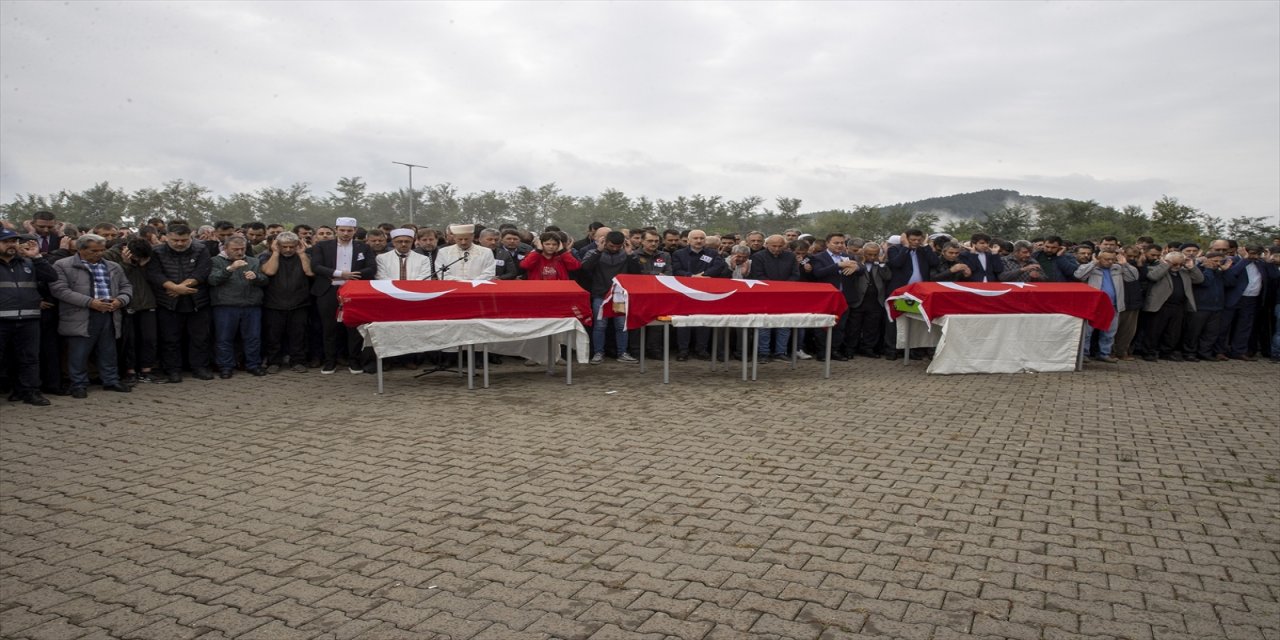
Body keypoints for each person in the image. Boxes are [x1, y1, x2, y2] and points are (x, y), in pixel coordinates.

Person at [50, 234, 133, 398]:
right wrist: (90, 302)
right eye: (94, 250)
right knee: (79, 352)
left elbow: (126, 286)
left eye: (102, 250)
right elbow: (60, 290)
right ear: (80, 249)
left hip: (109, 313)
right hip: (80, 314)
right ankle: (78, 384)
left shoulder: (113, 266)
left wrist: (120, 301)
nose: (99, 254)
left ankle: (110, 380)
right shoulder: (62, 265)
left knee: (108, 350)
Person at [147, 223, 215, 383]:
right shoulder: (157, 251)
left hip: (197, 301)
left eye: (184, 240)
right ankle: (173, 370)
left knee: (200, 337)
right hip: (168, 302)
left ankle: (199, 367)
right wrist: (173, 288)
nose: (180, 243)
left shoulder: (200, 249)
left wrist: (181, 287)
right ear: (167, 237)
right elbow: (154, 274)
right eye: (175, 240)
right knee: (170, 338)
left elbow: (203, 271)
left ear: (190, 236)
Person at [309, 217, 376, 374]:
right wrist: (340, 274)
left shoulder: (363, 247)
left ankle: (354, 360)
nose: (346, 233)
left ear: (355, 231)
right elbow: (316, 266)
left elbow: (371, 268)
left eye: (349, 230)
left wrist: (352, 276)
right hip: (328, 291)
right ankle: (330, 361)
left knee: (353, 327)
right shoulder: (322, 246)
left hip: (354, 292)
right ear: (336, 229)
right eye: (342, 230)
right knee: (329, 328)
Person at [0, 229, 57, 405]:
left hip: (28, 319)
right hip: (1, 321)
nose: (12, 245)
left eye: (14, 241)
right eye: (7, 241)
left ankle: (30, 392)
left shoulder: (28, 262)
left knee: (29, 358)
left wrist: (37, 257)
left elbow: (51, 276)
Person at [208, 236, 268, 378]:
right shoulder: (215, 261)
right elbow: (212, 280)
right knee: (224, 338)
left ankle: (253, 364)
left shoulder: (253, 261)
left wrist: (257, 277)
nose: (240, 252)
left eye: (242, 249)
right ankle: (226, 367)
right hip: (225, 305)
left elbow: (265, 280)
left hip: (251, 305)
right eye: (235, 249)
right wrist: (229, 269)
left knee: (253, 337)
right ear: (225, 248)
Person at [579, 230, 639, 364]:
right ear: (604, 242)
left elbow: (637, 272)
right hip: (600, 294)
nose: (615, 249)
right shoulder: (593, 252)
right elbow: (585, 269)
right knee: (600, 326)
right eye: (611, 246)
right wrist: (598, 251)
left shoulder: (627, 254)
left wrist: (630, 254)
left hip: (620, 295)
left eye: (618, 246)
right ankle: (598, 353)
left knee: (621, 325)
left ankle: (622, 352)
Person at [104, 238, 159, 384]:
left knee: (149, 339)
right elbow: (114, 280)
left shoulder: (150, 257)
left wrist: (144, 266)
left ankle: (147, 370)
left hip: (148, 302)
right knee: (130, 340)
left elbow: (155, 278)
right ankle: (130, 371)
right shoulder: (111, 256)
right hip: (127, 304)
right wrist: (126, 265)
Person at [260, 232, 314, 374]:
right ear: (278, 245)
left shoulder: (304, 256)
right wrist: (275, 253)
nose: (289, 250)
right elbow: (269, 271)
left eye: (292, 246)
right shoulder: (267, 256)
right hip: (274, 303)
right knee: (274, 335)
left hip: (299, 303)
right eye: (285, 247)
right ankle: (273, 362)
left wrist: (302, 253)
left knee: (298, 335)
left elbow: (309, 272)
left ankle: (298, 361)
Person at [671, 230, 728, 360]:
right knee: (684, 322)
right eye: (695, 238)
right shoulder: (678, 254)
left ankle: (701, 350)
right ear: (688, 240)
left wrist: (703, 276)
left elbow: (718, 267)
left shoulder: (712, 253)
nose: (698, 241)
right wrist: (691, 277)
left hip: (705, 293)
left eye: (701, 238)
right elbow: (676, 269)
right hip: (684, 292)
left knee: (704, 321)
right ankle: (683, 351)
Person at [1074, 248, 1137, 363]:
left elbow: (1133, 277)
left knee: (1109, 332)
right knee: (1087, 332)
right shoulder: (1091, 267)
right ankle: (1083, 354)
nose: (1110, 262)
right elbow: (1079, 276)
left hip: (1113, 305)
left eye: (1113, 259)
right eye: (1107, 259)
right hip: (1094, 305)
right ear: (1099, 258)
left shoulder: (1118, 268)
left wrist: (1125, 265)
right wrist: (1093, 263)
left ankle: (1104, 353)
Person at [1142, 251, 1203, 361]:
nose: (1178, 266)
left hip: (1178, 306)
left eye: (1180, 264)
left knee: (1173, 332)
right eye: (1175, 264)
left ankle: (1166, 352)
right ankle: (1149, 352)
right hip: (1161, 305)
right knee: (1154, 330)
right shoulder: (1157, 268)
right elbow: (1153, 277)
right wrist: (1167, 265)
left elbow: (1199, 279)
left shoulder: (1184, 272)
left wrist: (1191, 266)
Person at [748, 235, 801, 361]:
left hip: (785, 295)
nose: (777, 249)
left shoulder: (790, 256)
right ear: (767, 245)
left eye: (780, 246)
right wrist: (774, 287)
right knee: (764, 325)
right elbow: (758, 275)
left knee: (784, 324)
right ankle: (763, 353)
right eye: (774, 246)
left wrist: (784, 287)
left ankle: (780, 352)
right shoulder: (758, 256)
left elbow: (795, 275)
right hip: (765, 294)